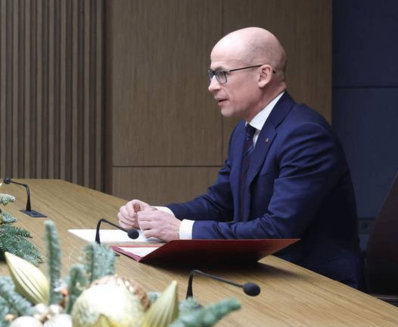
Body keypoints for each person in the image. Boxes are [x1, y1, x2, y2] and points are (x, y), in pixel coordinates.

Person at [117, 27, 363, 288]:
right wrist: (156, 215)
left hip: (319, 286)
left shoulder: (305, 134)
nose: (212, 86)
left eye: (222, 74)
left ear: (263, 75)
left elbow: (276, 230)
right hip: (266, 275)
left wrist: (180, 230)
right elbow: (219, 203)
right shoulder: (244, 130)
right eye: (212, 75)